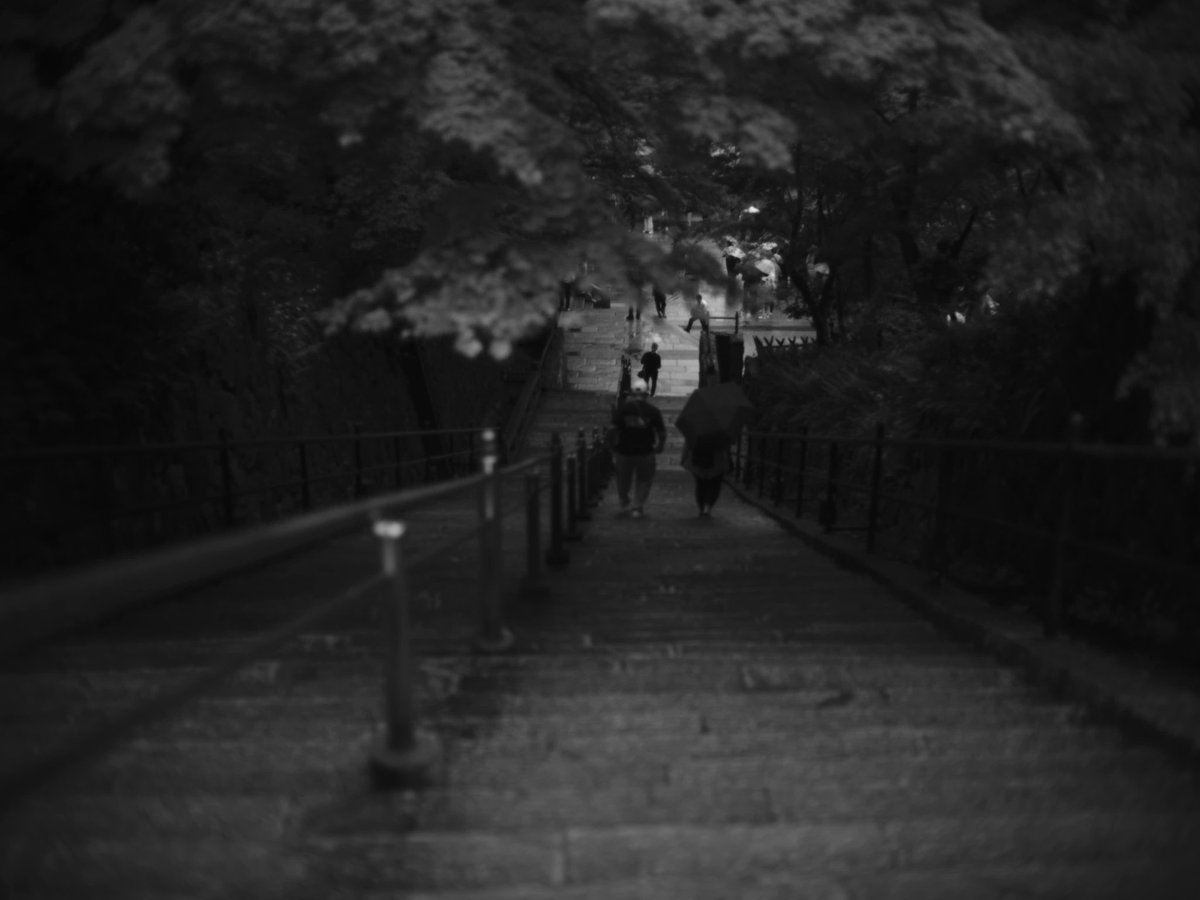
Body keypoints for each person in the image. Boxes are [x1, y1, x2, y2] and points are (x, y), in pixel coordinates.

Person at [610, 378, 666, 518]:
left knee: (623, 480)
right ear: (646, 394)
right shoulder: (653, 411)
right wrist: (660, 446)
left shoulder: (623, 409)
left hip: (624, 450)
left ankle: (625, 502)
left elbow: (613, 430)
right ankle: (637, 506)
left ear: (631, 394)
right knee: (644, 480)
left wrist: (611, 446)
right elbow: (661, 432)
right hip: (645, 451)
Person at [681, 432, 731, 516]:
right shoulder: (721, 431)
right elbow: (725, 447)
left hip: (698, 461)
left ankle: (702, 506)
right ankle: (708, 505)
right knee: (715, 485)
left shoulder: (695, 429)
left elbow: (688, 445)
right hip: (717, 462)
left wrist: (684, 458)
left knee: (701, 485)